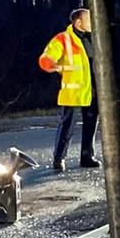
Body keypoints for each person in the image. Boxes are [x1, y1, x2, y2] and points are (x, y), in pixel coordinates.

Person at [38, 9, 99, 172]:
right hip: (73, 91)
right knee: (67, 125)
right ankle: (59, 158)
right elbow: (46, 57)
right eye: (89, 20)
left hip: (93, 89)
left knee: (91, 124)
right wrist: (51, 65)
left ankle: (87, 156)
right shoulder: (63, 38)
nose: (92, 23)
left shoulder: (95, 38)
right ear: (78, 22)